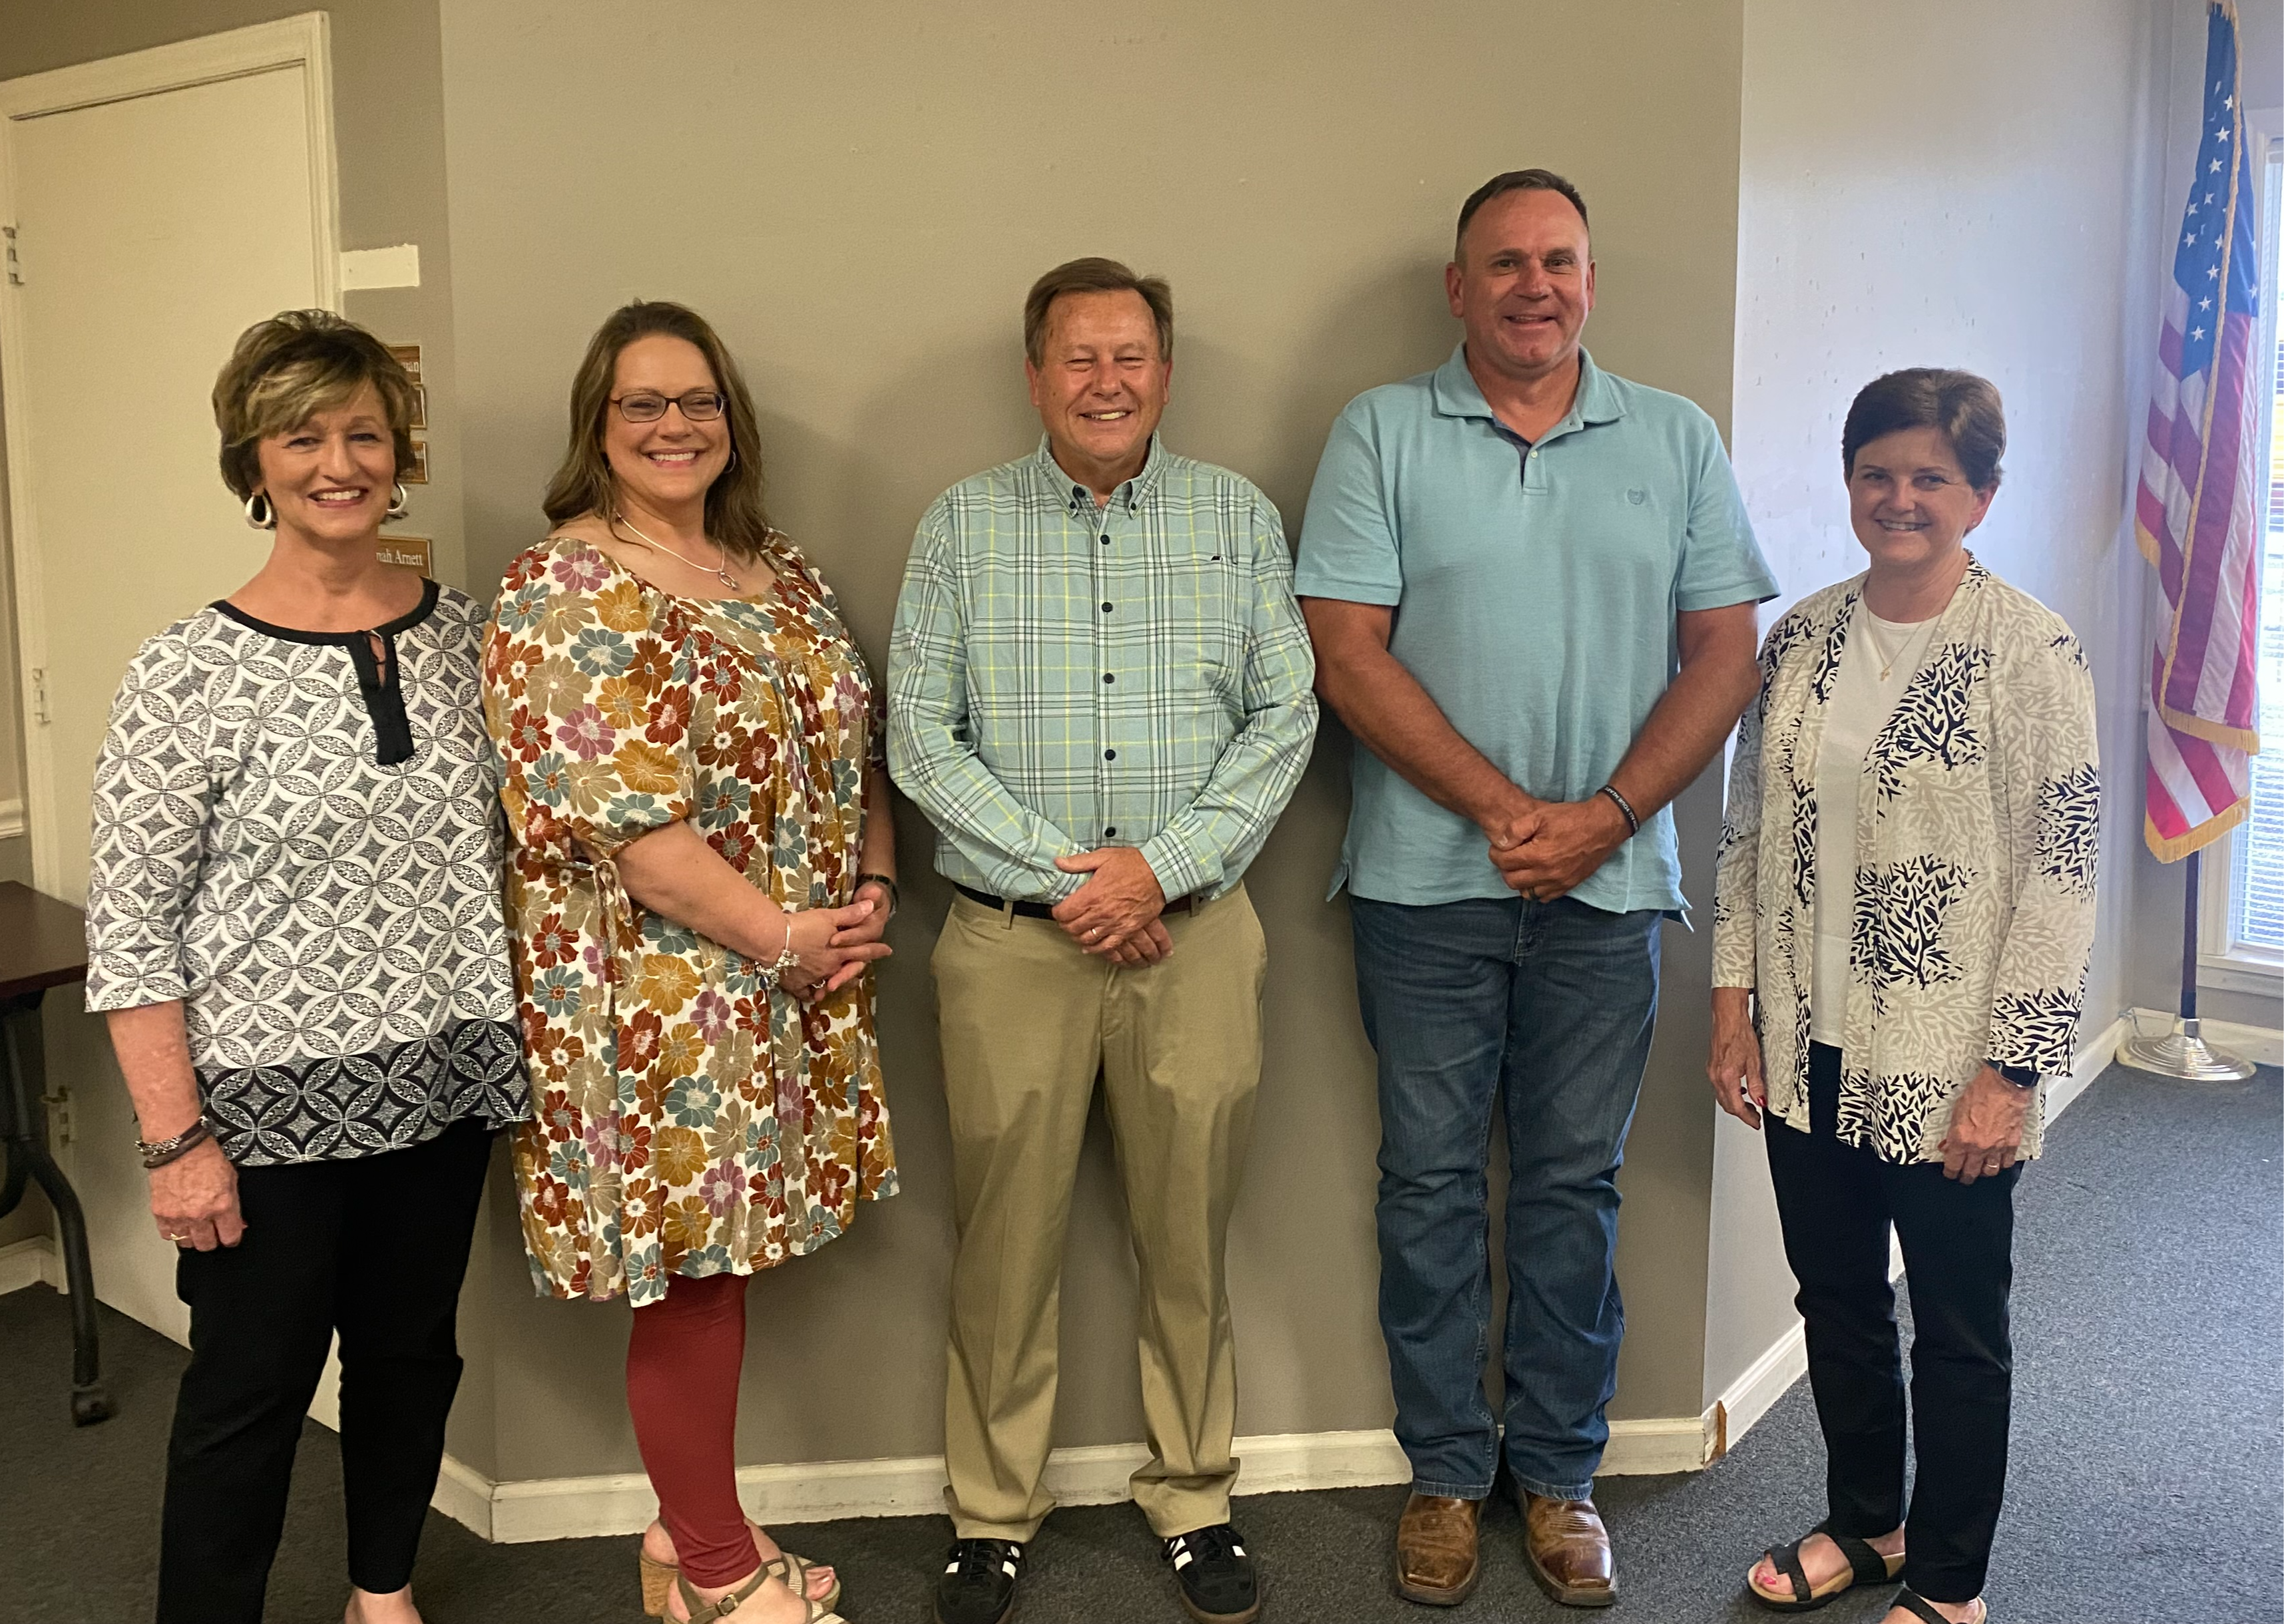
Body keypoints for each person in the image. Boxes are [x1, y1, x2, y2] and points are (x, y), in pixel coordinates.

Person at [1295, 169, 1777, 1609]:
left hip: (1612, 889)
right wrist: (1511, 811)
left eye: (1556, 260)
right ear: (1456, 287)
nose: (1530, 285)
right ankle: (1447, 1470)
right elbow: (1346, 650)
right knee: (1429, 1183)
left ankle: (1559, 1473)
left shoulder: (1674, 438)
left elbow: (1722, 656)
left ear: (1589, 279)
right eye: (1500, 262)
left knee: (1573, 1185)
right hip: (1420, 888)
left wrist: (1605, 817)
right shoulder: (1379, 431)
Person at [888, 257, 1317, 1624]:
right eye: (1078, 357)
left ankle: (1192, 1493)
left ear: (1165, 371)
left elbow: (1285, 715)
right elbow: (917, 733)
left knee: (1185, 1234)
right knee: (1000, 1238)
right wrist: (1079, 880)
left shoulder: (1233, 517)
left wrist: (1161, 870)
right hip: (1010, 945)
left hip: (1196, 940)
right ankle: (989, 1512)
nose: (1105, 380)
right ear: (1034, 374)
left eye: (1129, 355)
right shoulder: (959, 525)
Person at [85, 309, 529, 1624]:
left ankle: (380, 1586)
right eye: (302, 435)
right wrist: (175, 1141)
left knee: (408, 1356)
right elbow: (131, 927)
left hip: (442, 1086)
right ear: (254, 461)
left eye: (363, 433)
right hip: (259, 1115)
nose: (338, 461)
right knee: (248, 1391)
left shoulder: (475, 640)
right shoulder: (182, 672)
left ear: (399, 456)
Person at [483, 300, 896, 1624]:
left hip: (791, 971)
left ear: (732, 418)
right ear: (596, 426)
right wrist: (785, 937)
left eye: (697, 400)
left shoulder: (774, 564)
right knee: (690, 1275)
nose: (674, 426)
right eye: (641, 404)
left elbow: (855, 749)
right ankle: (716, 1567)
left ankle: (686, 1537)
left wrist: (870, 889)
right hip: (651, 992)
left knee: (724, 1260)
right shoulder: (560, 587)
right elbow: (633, 833)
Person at [1708, 369, 2098, 1624]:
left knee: (1956, 1330)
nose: (1900, 497)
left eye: (1931, 475)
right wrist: (1732, 1004)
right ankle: (1865, 1523)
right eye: (1878, 471)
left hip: (1950, 1061)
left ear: (1980, 492)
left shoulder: (2028, 652)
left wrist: (2011, 1070)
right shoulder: (1802, 638)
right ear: (1849, 481)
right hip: (1802, 1039)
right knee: (1834, 1304)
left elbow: (2061, 868)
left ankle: (1947, 1584)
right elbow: (1746, 830)